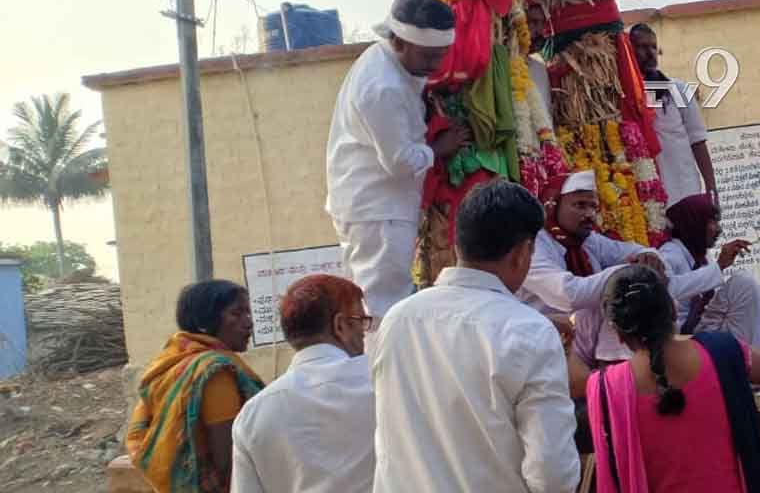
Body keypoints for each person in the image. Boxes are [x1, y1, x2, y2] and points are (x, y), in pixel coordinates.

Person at [371, 181, 580, 492]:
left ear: (458, 246)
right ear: (523, 252)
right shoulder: (530, 331)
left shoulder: (398, 319)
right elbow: (551, 474)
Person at [325, 0, 470, 322]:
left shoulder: (387, 60)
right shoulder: (383, 86)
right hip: (378, 210)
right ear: (399, 42)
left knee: (370, 304)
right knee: (381, 308)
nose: (436, 66)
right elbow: (400, 162)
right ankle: (382, 372)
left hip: (373, 207)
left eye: (441, 55)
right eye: (428, 56)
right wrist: (438, 149)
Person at [586, 264, 760, 493]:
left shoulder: (605, 387)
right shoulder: (720, 351)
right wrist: (689, 338)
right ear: (672, 309)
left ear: (619, 335)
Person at [231, 274, 375, 493]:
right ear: (340, 326)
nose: (364, 334)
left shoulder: (253, 414)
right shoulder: (381, 383)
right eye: (360, 322)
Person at [127, 280, 261, 493]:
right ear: (205, 322)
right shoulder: (214, 372)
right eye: (237, 314)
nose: (248, 322)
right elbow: (226, 461)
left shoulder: (168, 363)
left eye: (248, 312)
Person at [521, 170, 659, 363]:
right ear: (552, 205)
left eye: (594, 207)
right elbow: (570, 295)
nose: (590, 215)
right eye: (580, 205)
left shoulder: (586, 239)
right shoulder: (533, 244)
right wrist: (629, 271)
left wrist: (649, 256)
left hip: (579, 344)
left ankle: (617, 379)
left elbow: (635, 250)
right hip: (542, 348)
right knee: (619, 294)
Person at [660, 193, 760, 353]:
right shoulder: (668, 254)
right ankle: (751, 360)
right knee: (742, 283)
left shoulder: (699, 254)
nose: (719, 229)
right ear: (694, 224)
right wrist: (720, 265)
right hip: (688, 339)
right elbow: (668, 290)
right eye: (712, 221)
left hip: (709, 327)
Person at [629, 23, 717, 204]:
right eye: (643, 47)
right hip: (644, 196)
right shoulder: (624, 95)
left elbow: (697, 139)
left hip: (685, 192)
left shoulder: (678, 89)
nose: (651, 53)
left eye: (654, 47)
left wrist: (711, 187)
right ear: (629, 51)